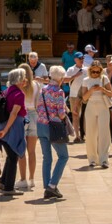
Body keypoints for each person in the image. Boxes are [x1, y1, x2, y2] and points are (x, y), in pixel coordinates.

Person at [0, 67, 27, 196]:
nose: (25, 80)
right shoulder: (19, 94)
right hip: (13, 127)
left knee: (10, 155)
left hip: (1, 126)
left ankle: (3, 182)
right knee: (13, 156)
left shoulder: (5, 92)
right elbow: (14, 113)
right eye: (24, 77)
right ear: (19, 80)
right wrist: (6, 130)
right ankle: (8, 188)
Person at [36, 65, 69, 200]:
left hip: (40, 125)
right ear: (60, 78)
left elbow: (38, 107)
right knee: (63, 156)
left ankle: (47, 187)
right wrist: (65, 114)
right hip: (53, 127)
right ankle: (52, 185)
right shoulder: (59, 92)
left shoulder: (43, 89)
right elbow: (61, 113)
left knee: (47, 157)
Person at [82, 60, 112, 168]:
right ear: (90, 70)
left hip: (103, 107)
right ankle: (92, 159)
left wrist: (102, 89)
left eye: (98, 72)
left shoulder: (104, 78)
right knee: (90, 133)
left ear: (101, 71)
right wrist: (91, 90)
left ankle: (104, 159)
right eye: (93, 71)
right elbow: (84, 98)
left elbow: (111, 94)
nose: (95, 74)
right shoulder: (86, 80)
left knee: (104, 133)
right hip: (90, 107)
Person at [16, 63, 40, 191]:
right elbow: (37, 103)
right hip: (34, 115)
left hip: (22, 115)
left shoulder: (18, 85)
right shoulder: (36, 85)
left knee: (21, 150)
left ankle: (23, 179)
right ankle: (32, 178)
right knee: (32, 151)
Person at [64, 51, 86, 143]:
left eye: (83, 58)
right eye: (80, 58)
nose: (82, 60)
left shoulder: (87, 69)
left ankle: (84, 135)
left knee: (85, 116)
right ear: (75, 59)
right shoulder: (71, 69)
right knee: (75, 115)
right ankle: (77, 136)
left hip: (85, 95)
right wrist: (75, 75)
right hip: (73, 95)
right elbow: (65, 80)